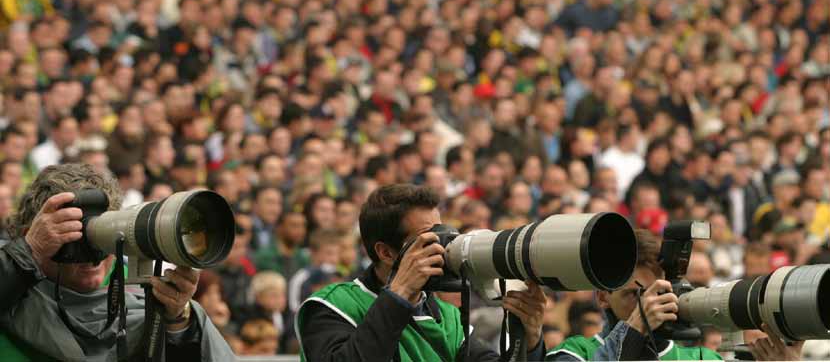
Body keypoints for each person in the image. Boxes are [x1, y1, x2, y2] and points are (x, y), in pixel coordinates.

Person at [0, 162, 234, 360]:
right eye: (71, 235)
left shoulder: (146, 291)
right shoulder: (10, 280)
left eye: (101, 234)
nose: (92, 252)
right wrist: (27, 253)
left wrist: (179, 323)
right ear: (32, 233)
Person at [296, 184, 547, 361]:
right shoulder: (332, 305)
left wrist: (528, 337)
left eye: (441, 231)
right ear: (385, 253)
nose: (442, 245)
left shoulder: (447, 317)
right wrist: (400, 293)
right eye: (428, 238)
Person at [546, 229, 801, 361]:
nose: (649, 304)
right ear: (603, 297)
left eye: (657, 293)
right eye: (635, 296)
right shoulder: (576, 352)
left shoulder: (701, 358)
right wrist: (634, 330)